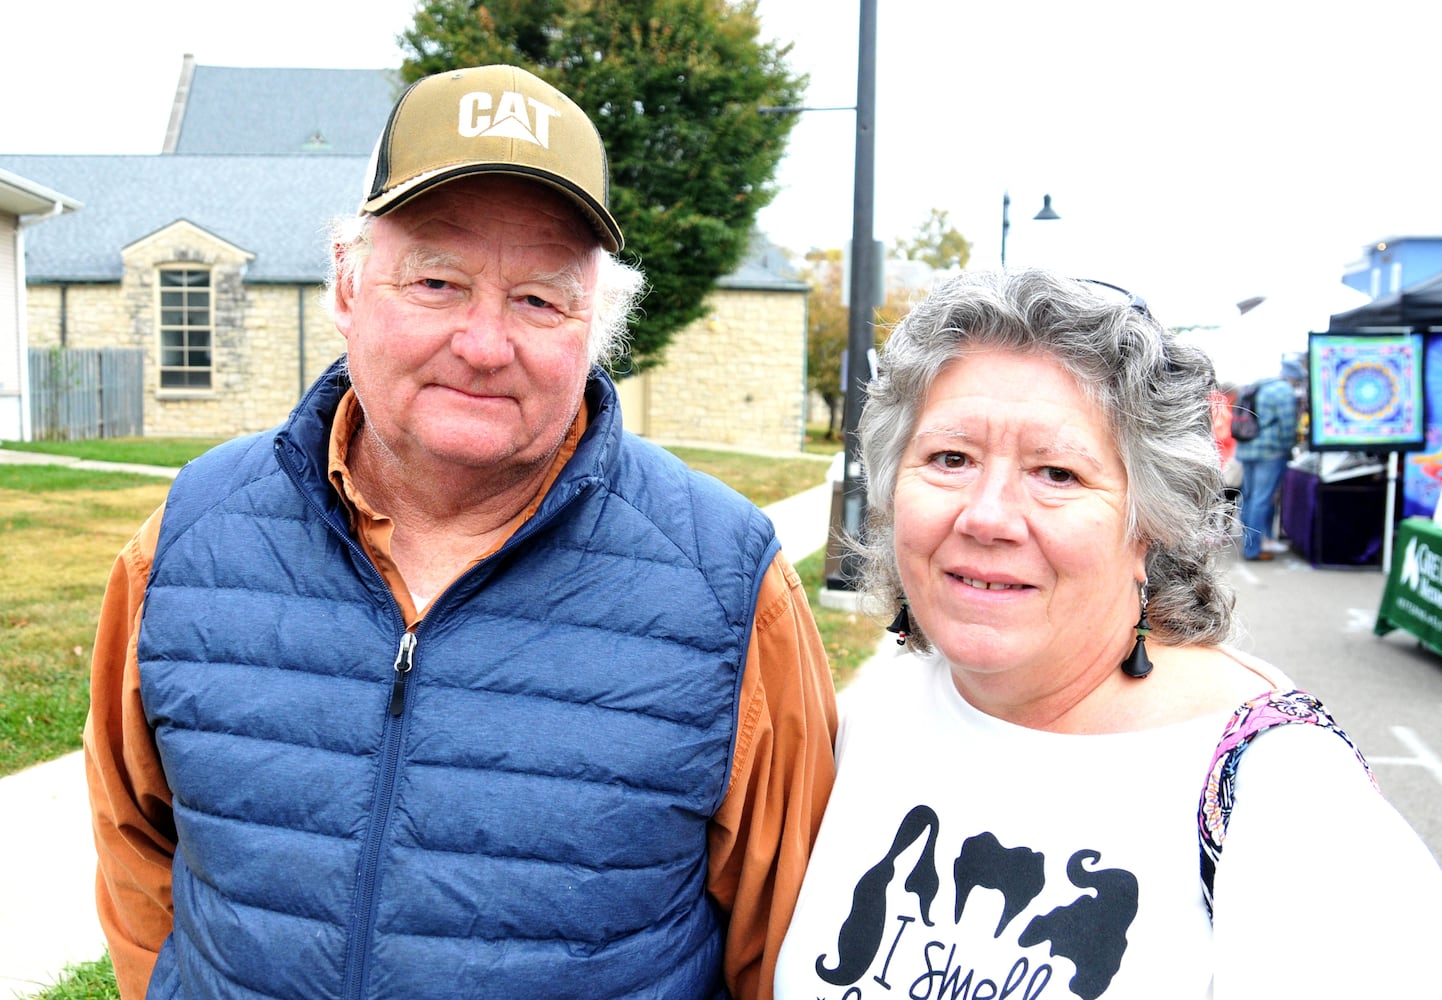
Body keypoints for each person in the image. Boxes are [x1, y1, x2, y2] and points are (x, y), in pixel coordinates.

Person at [83, 63, 837, 1000]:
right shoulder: (187, 543)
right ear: (348, 287)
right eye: (437, 280)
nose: (485, 345)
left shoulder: (730, 589)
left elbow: (798, 948)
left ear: (595, 325)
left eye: (538, 298)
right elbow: (136, 848)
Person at [773, 270, 1441, 998]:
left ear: (1153, 524)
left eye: (1057, 473)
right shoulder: (870, 716)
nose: (987, 517)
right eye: (950, 459)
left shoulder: (1291, 805)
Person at [1234, 361, 1301, 561]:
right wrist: (1289, 448)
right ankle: (1253, 548)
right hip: (1270, 452)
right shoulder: (1283, 391)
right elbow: (1287, 425)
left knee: (1250, 496)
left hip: (1247, 448)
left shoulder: (1256, 385)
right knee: (1262, 499)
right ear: (1294, 378)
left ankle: (1250, 540)